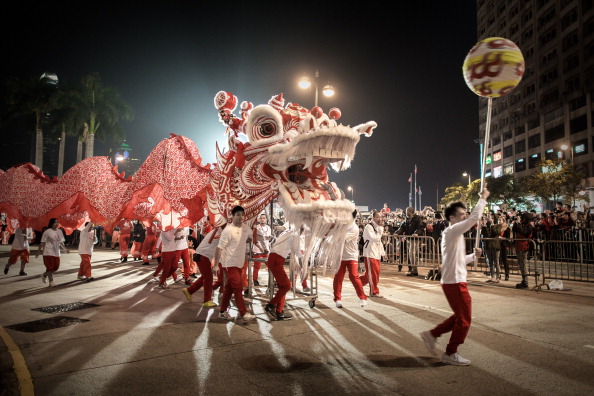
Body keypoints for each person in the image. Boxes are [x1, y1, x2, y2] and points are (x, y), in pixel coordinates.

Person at [420, 186, 489, 366]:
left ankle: (432, 334)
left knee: (459, 317)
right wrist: (483, 198)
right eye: (461, 214)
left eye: (465, 213)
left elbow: (458, 260)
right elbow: (475, 218)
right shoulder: (451, 231)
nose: (465, 216)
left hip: (454, 280)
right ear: (451, 218)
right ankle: (450, 353)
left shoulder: (454, 235)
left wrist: (474, 256)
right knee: (464, 320)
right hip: (455, 282)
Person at [217, 206, 256, 323]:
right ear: (232, 216)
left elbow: (250, 238)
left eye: (242, 214)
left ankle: (222, 312)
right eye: (237, 214)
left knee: (228, 289)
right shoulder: (228, 230)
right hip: (229, 263)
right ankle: (243, 313)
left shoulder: (246, 228)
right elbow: (219, 248)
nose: (240, 217)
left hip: (239, 262)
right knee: (238, 287)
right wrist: (215, 266)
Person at [333, 210, 368, 308]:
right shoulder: (342, 225)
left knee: (354, 276)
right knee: (338, 278)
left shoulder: (354, 228)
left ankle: (362, 298)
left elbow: (340, 238)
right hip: (340, 256)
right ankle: (337, 299)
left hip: (351, 256)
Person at [181, 226, 223, 307]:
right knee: (208, 277)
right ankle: (207, 300)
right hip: (204, 255)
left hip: (203, 255)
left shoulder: (217, 230)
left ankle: (189, 291)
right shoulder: (221, 233)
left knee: (205, 277)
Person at [263, 226, 299, 321]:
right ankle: (271, 305)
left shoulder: (290, 231)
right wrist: (302, 267)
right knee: (287, 286)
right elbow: (298, 252)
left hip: (276, 258)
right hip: (276, 259)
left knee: (283, 287)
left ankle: (279, 312)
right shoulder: (295, 233)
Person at [36, 218, 70, 287]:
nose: (57, 223)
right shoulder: (47, 232)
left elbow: (61, 242)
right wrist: (38, 252)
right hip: (48, 252)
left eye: (57, 222)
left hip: (56, 252)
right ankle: (51, 282)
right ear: (51, 224)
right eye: (55, 222)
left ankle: (44, 275)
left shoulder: (59, 231)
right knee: (50, 267)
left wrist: (65, 249)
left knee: (56, 267)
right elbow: (42, 243)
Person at [360, 210, 386, 297]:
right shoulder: (369, 227)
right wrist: (380, 230)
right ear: (373, 218)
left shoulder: (378, 228)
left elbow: (379, 242)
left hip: (376, 253)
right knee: (373, 274)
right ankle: (374, 291)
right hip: (369, 253)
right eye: (378, 217)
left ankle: (357, 283)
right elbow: (374, 239)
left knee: (372, 274)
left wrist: (383, 253)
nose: (380, 219)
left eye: (380, 217)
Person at [395, 206, 425, 276]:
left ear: (411, 212)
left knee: (412, 253)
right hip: (408, 238)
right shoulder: (406, 219)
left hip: (415, 239)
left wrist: (416, 233)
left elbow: (420, 227)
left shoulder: (417, 218)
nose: (406, 212)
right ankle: (412, 269)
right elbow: (402, 227)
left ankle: (414, 270)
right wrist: (397, 232)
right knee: (410, 254)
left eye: (407, 211)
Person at [513, 213, 534, 289]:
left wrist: (518, 224)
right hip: (518, 246)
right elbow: (514, 230)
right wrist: (516, 223)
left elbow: (523, 232)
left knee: (523, 264)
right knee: (520, 264)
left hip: (524, 247)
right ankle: (523, 280)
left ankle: (525, 282)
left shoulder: (529, 226)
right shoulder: (522, 224)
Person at [252, 213, 272, 286]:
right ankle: (255, 280)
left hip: (266, 249)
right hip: (257, 249)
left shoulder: (268, 228)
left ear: (266, 219)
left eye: (264, 218)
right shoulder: (256, 227)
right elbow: (256, 238)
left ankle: (272, 279)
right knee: (257, 266)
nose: (262, 219)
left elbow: (268, 238)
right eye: (261, 218)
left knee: (269, 265)